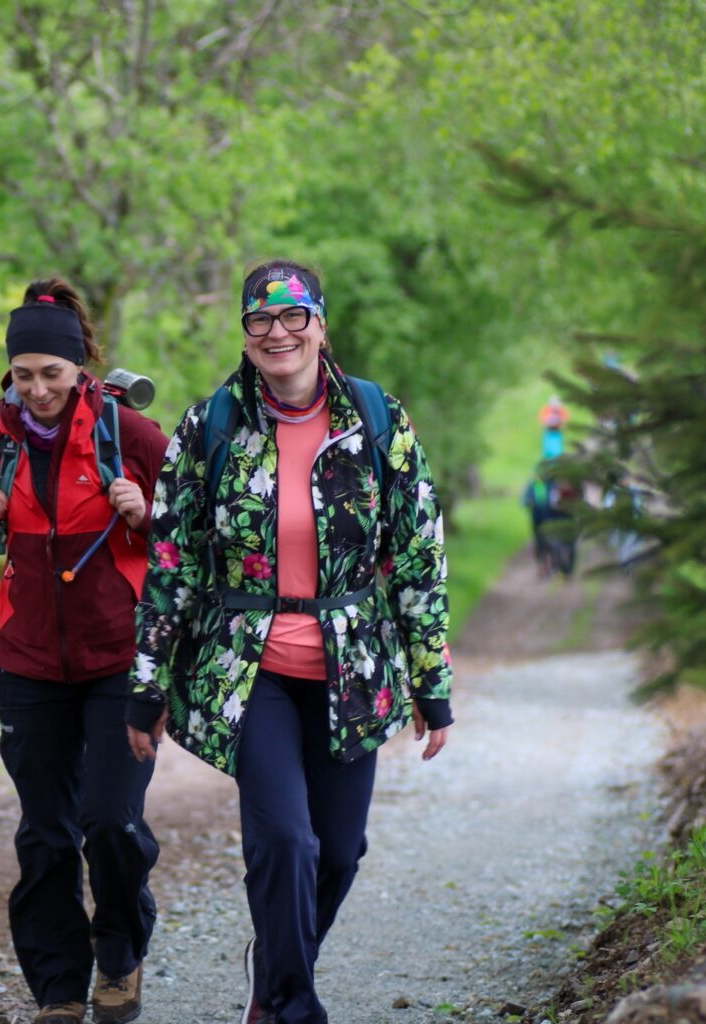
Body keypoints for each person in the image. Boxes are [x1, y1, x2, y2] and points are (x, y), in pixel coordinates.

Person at [126, 260, 453, 1024]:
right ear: (246, 333)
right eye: (260, 319)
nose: (277, 332)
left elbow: (418, 555)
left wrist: (431, 682)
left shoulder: (376, 419)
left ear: (320, 327)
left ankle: (273, 965)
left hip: (353, 668)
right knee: (285, 845)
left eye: (293, 316)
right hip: (253, 671)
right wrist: (148, 684)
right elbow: (172, 561)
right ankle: (292, 1005)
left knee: (338, 853)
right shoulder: (211, 426)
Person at [0, 280, 170, 1024]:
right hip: (29, 663)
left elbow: (196, 526)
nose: (37, 389)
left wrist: (148, 514)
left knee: (111, 822)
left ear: (80, 367)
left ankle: (121, 953)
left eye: (52, 373)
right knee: (45, 835)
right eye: (23, 374)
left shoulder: (130, 434)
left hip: (120, 660)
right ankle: (59, 987)